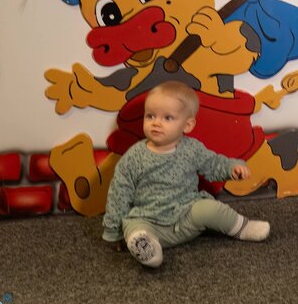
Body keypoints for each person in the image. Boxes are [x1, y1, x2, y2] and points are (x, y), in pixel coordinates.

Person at [102, 80, 270, 268]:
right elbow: (119, 194)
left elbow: (213, 163)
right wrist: (112, 231)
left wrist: (233, 167)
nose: (156, 123)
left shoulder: (191, 149)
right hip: (148, 220)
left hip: (186, 216)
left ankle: (243, 227)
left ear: (187, 125)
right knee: (133, 228)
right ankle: (148, 249)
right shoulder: (134, 156)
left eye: (167, 118)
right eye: (150, 116)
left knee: (210, 208)